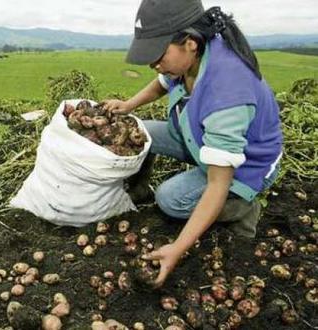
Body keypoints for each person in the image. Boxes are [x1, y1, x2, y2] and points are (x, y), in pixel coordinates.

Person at [102, 0, 283, 287]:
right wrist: (129, 105)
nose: (153, 64)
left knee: (170, 199)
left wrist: (178, 248)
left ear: (189, 43)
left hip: (245, 163)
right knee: (139, 131)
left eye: (158, 55)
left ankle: (243, 208)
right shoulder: (191, 55)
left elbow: (217, 184)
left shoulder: (228, 93)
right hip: (197, 136)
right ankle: (138, 190)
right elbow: (162, 82)